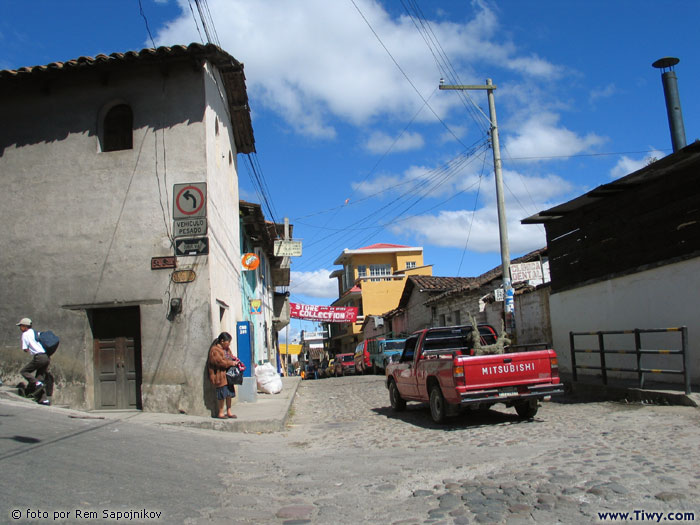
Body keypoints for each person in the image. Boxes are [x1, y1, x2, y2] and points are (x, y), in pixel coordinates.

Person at [207, 332, 243, 419]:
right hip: (220, 376)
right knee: (222, 394)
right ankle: (220, 412)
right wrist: (231, 363)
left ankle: (229, 411)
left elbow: (230, 357)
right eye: (228, 342)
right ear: (222, 341)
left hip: (228, 376)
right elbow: (220, 362)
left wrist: (235, 361)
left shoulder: (227, 349)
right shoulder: (215, 350)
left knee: (229, 394)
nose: (229, 344)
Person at [16, 317, 50, 405]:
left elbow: (25, 349)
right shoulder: (34, 332)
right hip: (46, 357)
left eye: (21, 326)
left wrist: (30, 349)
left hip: (39, 357)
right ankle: (44, 399)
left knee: (24, 371)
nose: (20, 328)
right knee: (40, 379)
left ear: (24, 326)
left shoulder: (25, 334)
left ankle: (36, 383)